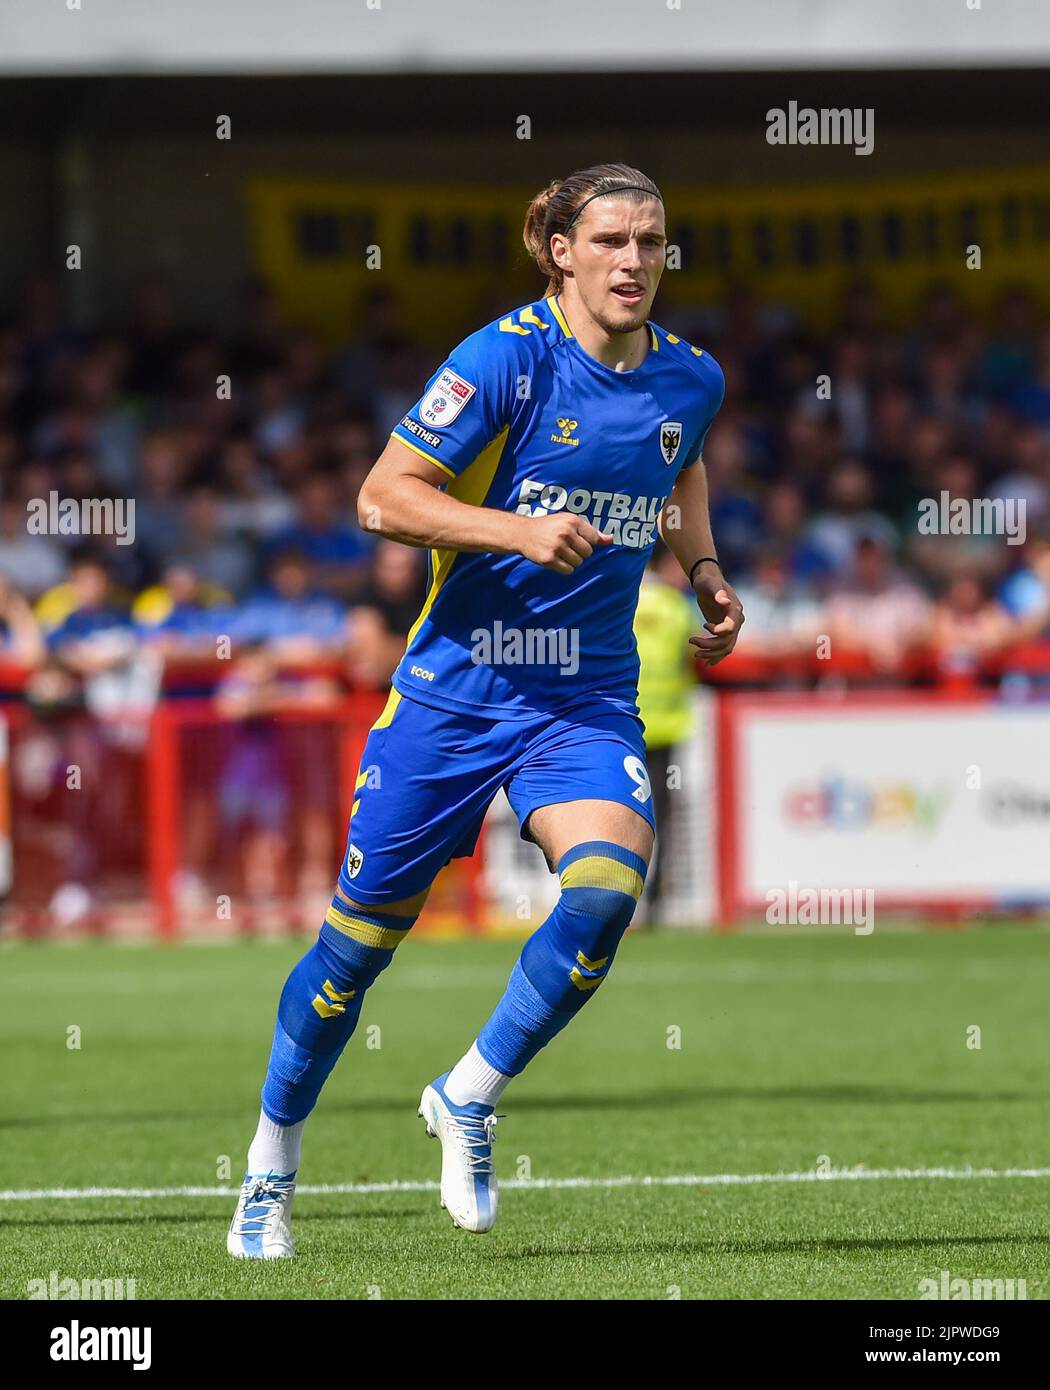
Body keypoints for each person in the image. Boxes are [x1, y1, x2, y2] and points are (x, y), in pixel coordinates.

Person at [228, 162, 743, 1258]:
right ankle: (272, 1156)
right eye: (610, 241)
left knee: (607, 890)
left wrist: (702, 571)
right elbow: (382, 496)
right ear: (560, 250)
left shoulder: (691, 379)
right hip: (457, 693)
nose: (634, 262)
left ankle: (467, 1092)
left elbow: (682, 470)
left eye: (651, 242)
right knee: (356, 952)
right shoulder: (504, 358)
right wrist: (513, 530)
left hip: (586, 695)